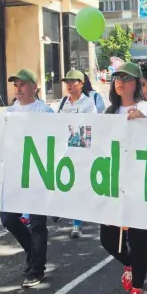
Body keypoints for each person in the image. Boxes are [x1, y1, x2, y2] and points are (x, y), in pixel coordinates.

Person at [102, 62, 147, 294]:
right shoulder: (108, 113)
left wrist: (144, 113)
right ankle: (130, 264)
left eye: (126, 78)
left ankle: (138, 286)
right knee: (107, 238)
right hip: (113, 186)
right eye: (117, 77)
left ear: (136, 83)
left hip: (141, 185)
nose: (120, 82)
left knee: (138, 238)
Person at [3, 69, 53, 288]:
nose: (18, 88)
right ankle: (33, 252)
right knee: (8, 218)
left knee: (37, 225)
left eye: (22, 84)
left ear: (34, 87)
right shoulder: (9, 112)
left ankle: (36, 268)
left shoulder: (45, 111)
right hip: (15, 176)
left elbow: (54, 141)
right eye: (16, 85)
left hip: (38, 175)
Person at [58, 70, 97, 237]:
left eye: (73, 81)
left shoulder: (88, 103)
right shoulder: (62, 102)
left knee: (78, 187)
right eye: (67, 82)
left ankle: (77, 223)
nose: (68, 85)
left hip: (81, 151)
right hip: (64, 150)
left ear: (81, 84)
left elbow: (90, 126)